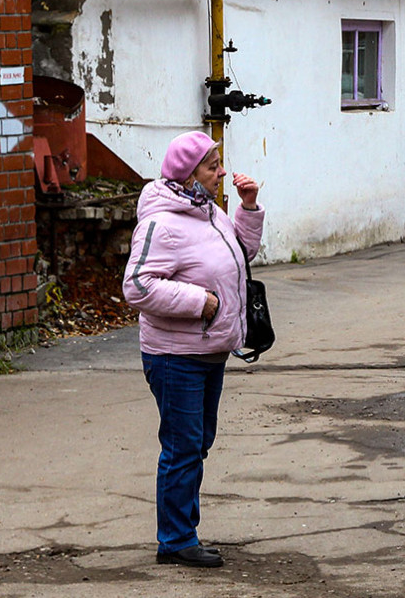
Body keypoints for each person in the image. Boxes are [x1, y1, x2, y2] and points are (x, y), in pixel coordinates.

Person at [123, 130, 265, 567]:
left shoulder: (209, 213)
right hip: (175, 356)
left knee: (198, 442)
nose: (221, 171)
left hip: (208, 351)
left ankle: (183, 530)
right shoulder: (161, 223)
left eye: (219, 162)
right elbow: (138, 286)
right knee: (183, 446)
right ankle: (176, 540)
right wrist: (200, 303)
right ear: (188, 175)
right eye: (211, 166)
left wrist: (248, 208)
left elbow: (242, 255)